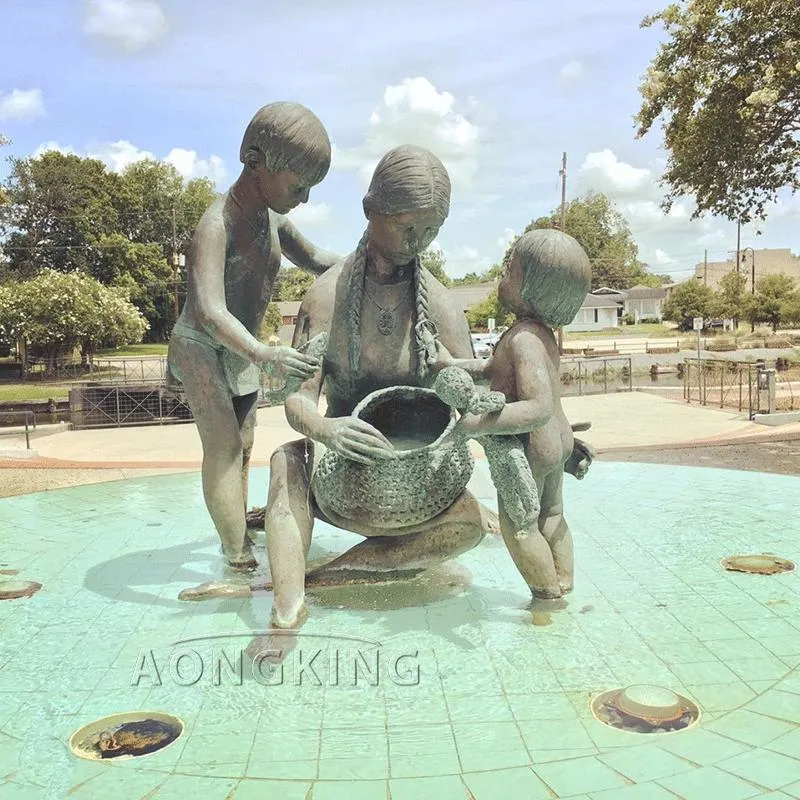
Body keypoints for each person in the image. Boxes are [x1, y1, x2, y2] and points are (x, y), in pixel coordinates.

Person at [263, 145, 496, 630]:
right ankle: (287, 609)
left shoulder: (444, 308)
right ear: (371, 210)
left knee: (470, 525)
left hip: (417, 492)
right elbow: (297, 399)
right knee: (286, 459)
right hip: (341, 478)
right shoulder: (326, 296)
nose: (418, 242)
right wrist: (327, 431)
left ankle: (327, 576)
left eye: (430, 231)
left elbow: (479, 399)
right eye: (407, 227)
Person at [167, 102, 341, 572]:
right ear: (255, 159)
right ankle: (236, 553)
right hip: (203, 343)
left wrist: (372, 258)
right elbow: (208, 310)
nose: (303, 198)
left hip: (241, 346)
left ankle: (238, 527)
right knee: (223, 445)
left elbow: (320, 260)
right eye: (297, 185)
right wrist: (264, 352)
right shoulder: (215, 224)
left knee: (243, 442)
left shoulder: (274, 220)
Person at [431, 228, 593, 598]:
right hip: (560, 439)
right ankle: (563, 581)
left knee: (519, 525)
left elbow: (537, 409)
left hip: (534, 445)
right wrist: (448, 362)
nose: (502, 277)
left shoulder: (523, 340)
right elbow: (491, 370)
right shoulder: (538, 335)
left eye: (510, 271)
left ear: (533, 288)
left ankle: (546, 595)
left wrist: (477, 424)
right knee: (551, 515)